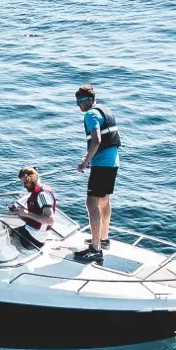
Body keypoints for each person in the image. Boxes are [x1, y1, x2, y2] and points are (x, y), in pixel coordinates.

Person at [73, 84, 121, 264]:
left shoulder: (91, 114)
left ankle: (95, 249)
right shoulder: (105, 110)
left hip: (101, 166)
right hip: (113, 163)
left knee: (91, 202)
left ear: (89, 100)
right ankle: (103, 239)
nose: (79, 105)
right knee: (104, 200)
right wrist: (89, 158)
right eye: (77, 102)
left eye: (80, 101)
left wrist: (85, 162)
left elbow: (96, 141)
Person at [8, 166, 57, 249]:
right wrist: (19, 213)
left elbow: (50, 219)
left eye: (25, 183)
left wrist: (27, 213)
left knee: (3, 236)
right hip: (31, 231)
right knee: (6, 231)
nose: (24, 186)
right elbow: (35, 218)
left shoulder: (42, 195)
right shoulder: (36, 193)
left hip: (35, 239)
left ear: (32, 179)